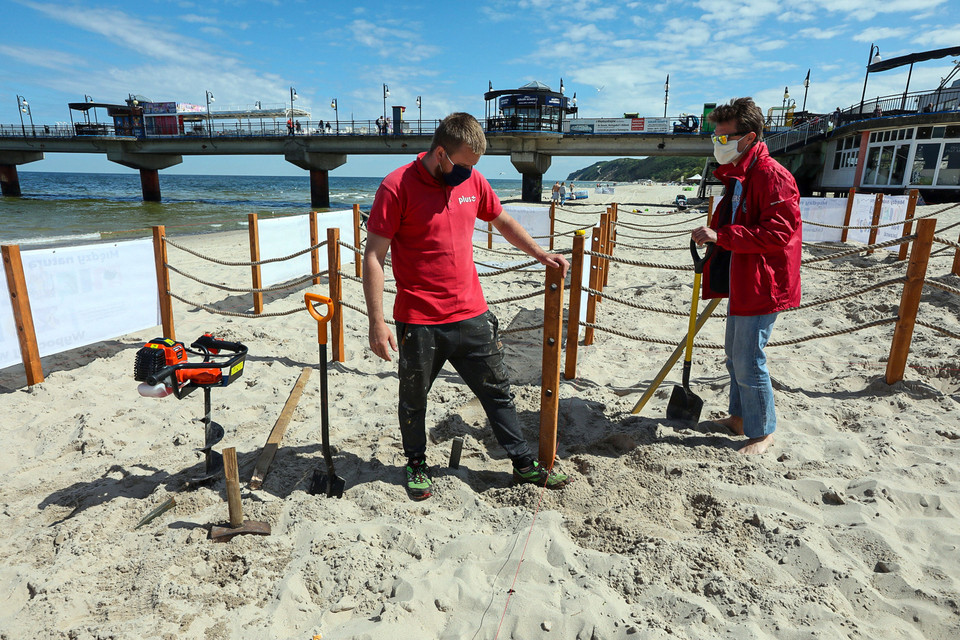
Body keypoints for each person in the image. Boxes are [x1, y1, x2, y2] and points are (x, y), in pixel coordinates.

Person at [363, 112, 573, 500]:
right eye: (463, 165)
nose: (469, 173)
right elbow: (374, 255)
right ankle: (416, 464)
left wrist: (540, 254)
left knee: (498, 391)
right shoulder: (396, 187)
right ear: (440, 153)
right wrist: (377, 321)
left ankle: (524, 465)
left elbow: (502, 219)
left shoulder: (472, 179)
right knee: (413, 400)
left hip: (473, 313)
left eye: (474, 167)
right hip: (420, 319)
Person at [690, 97, 801, 455]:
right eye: (716, 138)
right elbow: (736, 221)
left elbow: (778, 234)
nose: (718, 144)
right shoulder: (739, 175)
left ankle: (762, 432)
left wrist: (721, 236)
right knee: (733, 355)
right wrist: (716, 235)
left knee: (750, 359)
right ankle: (739, 418)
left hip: (764, 281)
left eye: (724, 137)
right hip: (742, 278)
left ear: (748, 137)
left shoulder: (771, 175)